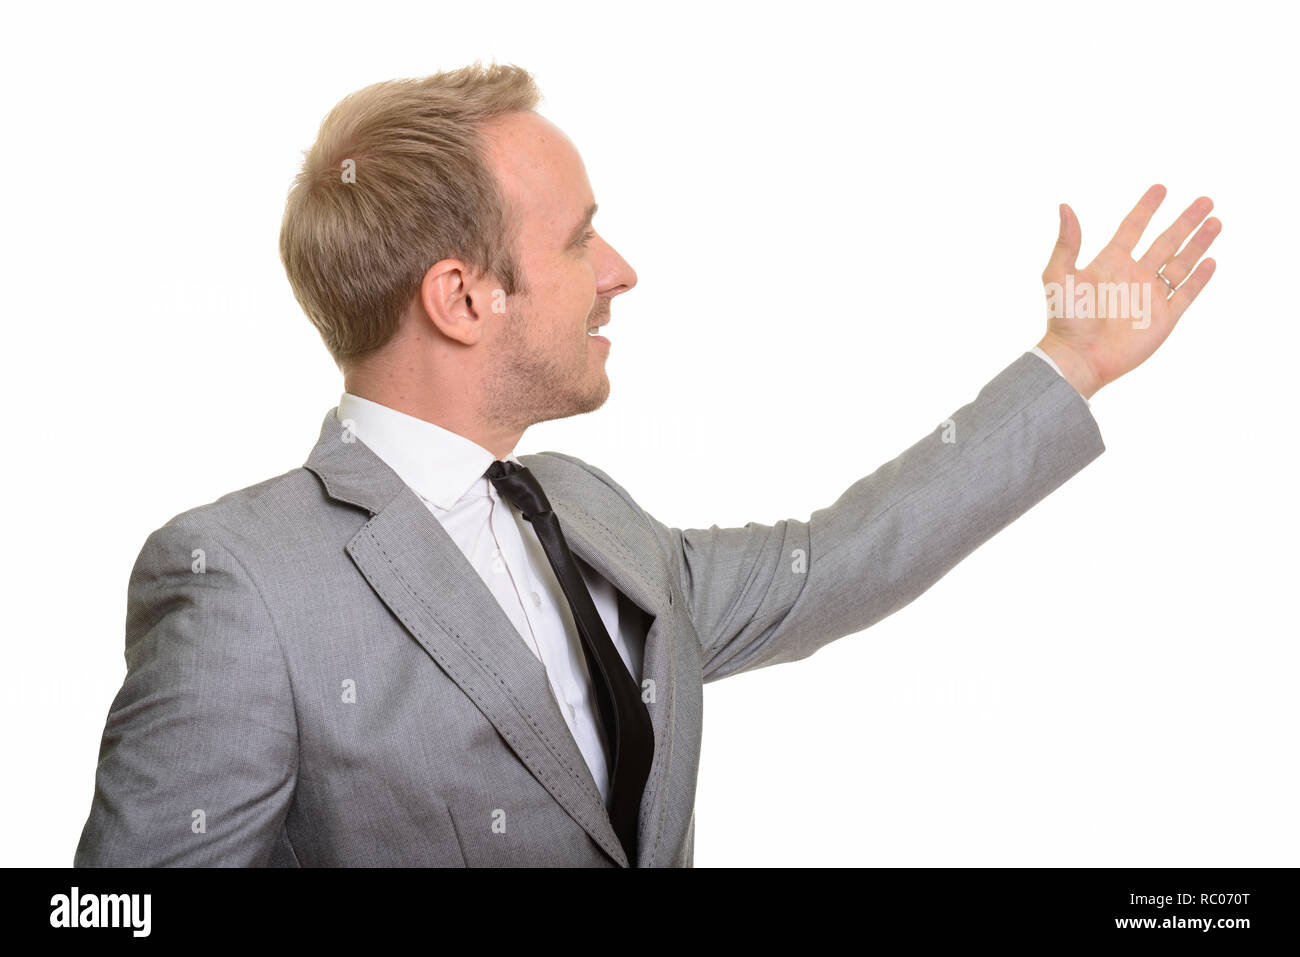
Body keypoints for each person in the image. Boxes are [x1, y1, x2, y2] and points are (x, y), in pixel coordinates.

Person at [73, 62, 1219, 867]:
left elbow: (834, 564)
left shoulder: (582, 511)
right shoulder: (242, 580)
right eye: (577, 239)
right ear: (463, 299)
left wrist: (1069, 364)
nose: (620, 269)